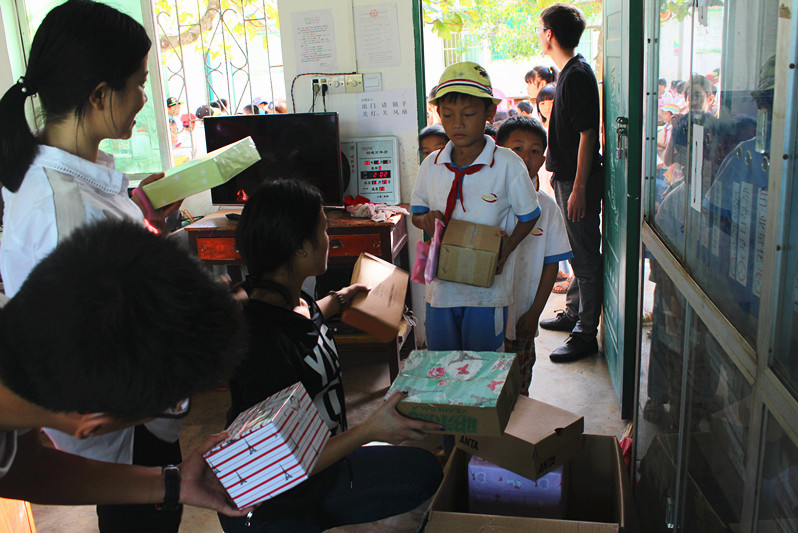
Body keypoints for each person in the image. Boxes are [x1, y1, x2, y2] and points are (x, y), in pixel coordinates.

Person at [0, 1, 186, 530]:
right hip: (124, 433)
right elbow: (89, 355)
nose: (145, 98)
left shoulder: (70, 177)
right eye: (139, 83)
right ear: (100, 95)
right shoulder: (64, 209)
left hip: (139, 415)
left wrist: (145, 216)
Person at [220, 180, 443, 532]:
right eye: (323, 229)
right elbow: (276, 458)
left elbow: (306, 320)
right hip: (282, 495)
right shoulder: (262, 343)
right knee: (420, 476)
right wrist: (372, 429)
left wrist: (341, 298)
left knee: (424, 469)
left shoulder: (287, 297)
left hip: (319, 461)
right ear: (299, 247)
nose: (329, 237)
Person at [0, 219, 247, 515]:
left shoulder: (25, 350)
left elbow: (27, 472)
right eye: (174, 404)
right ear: (93, 423)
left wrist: (174, 483)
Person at [410, 60, 540, 354]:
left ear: (489, 112)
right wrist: (426, 220)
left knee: (482, 367)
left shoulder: (507, 164)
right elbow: (417, 214)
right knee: (442, 364)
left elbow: (530, 215)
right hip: (441, 292)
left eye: (468, 114)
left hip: (487, 293)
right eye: (447, 114)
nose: (457, 123)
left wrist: (509, 247)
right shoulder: (431, 165)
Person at [536, 3, 604, 363]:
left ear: (549, 34)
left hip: (578, 183)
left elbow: (587, 135)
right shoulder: (568, 72)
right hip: (567, 179)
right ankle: (574, 312)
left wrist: (578, 189)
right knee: (576, 251)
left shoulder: (576, 74)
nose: (540, 35)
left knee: (585, 259)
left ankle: (585, 334)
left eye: (540, 29)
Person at [497, 116, 572, 395]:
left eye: (535, 151)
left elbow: (551, 265)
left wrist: (535, 314)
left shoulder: (547, 208)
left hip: (522, 317)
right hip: (484, 314)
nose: (525, 158)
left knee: (518, 388)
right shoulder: (485, 199)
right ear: (498, 150)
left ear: (543, 159)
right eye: (517, 148)